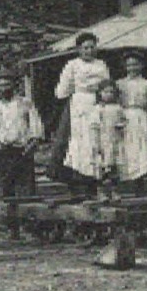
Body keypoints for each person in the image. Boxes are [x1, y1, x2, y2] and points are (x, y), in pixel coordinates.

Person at [0, 72, 44, 239]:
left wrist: (33, 142)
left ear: (13, 86)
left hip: (22, 150)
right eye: (1, 86)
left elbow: (36, 125)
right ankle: (13, 228)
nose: (4, 89)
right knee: (7, 189)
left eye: (7, 85)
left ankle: (32, 226)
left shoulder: (25, 103)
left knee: (27, 188)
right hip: (4, 151)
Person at [52, 33, 111, 193]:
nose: (89, 51)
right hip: (79, 104)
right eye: (85, 48)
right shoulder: (72, 65)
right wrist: (77, 91)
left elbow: (107, 85)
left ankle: (96, 180)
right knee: (78, 141)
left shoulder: (101, 65)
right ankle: (76, 179)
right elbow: (61, 91)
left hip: (97, 104)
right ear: (79, 49)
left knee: (97, 140)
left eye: (92, 47)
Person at [114, 52, 147, 190]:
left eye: (135, 64)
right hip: (124, 116)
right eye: (129, 65)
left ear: (141, 65)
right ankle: (126, 179)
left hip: (140, 116)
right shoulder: (120, 83)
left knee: (141, 147)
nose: (132, 68)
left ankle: (140, 179)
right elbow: (114, 102)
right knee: (126, 147)